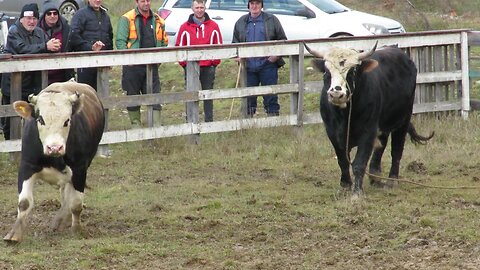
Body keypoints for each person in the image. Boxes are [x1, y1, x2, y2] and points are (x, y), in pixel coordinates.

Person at [1, 3, 61, 140]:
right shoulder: (13, 32)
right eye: (28, 18)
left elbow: (46, 47)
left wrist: (54, 46)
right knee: (11, 118)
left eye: (34, 18)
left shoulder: (40, 32)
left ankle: (32, 146)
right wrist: (45, 46)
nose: (31, 21)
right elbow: (22, 49)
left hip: (33, 84)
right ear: (21, 19)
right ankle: (12, 149)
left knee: (34, 117)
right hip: (13, 84)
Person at [116, 0, 168, 127]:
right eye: (143, 1)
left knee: (155, 96)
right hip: (132, 67)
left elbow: (163, 41)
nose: (146, 3)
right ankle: (136, 127)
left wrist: (159, 58)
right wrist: (128, 60)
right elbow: (120, 42)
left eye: (148, 0)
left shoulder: (158, 20)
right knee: (132, 97)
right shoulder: (126, 18)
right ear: (137, 2)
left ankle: (156, 126)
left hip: (152, 66)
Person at [232, 0, 287, 117]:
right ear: (248, 5)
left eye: (257, 3)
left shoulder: (272, 20)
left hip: (268, 65)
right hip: (248, 66)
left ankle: (274, 122)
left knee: (270, 96)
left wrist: (276, 56)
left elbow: (283, 40)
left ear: (262, 5)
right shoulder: (241, 22)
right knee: (249, 98)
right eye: (252, 3)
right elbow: (234, 44)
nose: (254, 6)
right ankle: (248, 124)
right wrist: (238, 57)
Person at [175, 0, 222, 122]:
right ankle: (190, 121)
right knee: (190, 94)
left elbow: (219, 46)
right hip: (191, 67)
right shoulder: (184, 27)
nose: (199, 10)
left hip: (208, 67)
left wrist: (214, 62)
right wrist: (185, 64)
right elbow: (179, 47)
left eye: (202, 7)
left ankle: (209, 121)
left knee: (208, 94)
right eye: (197, 7)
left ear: (205, 8)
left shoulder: (214, 26)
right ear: (192, 9)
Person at [70, 0, 113, 90]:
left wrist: (110, 57)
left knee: (102, 95)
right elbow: (74, 36)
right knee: (85, 95)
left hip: (102, 63)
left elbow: (109, 36)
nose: (97, 0)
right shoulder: (80, 15)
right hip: (85, 62)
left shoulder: (105, 16)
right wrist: (90, 47)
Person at [38, 0, 75, 84]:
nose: (52, 16)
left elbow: (75, 44)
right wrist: (46, 46)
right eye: (49, 13)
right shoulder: (37, 29)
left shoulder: (66, 28)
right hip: (41, 76)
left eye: (55, 13)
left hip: (62, 75)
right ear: (44, 15)